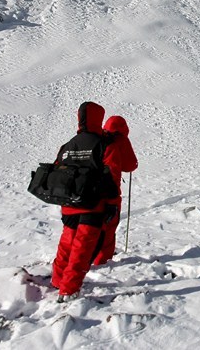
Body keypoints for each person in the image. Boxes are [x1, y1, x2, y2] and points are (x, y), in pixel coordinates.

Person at [51, 101, 121, 302]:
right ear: (99, 119)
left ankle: (57, 280)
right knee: (82, 248)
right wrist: (112, 203)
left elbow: (58, 169)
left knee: (67, 243)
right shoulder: (104, 144)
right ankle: (69, 289)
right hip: (93, 206)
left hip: (69, 204)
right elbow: (112, 176)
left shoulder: (67, 145)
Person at [93, 115, 138, 266]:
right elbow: (131, 165)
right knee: (108, 228)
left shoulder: (96, 137)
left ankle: (85, 259)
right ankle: (102, 262)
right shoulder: (121, 140)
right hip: (110, 193)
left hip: (87, 191)